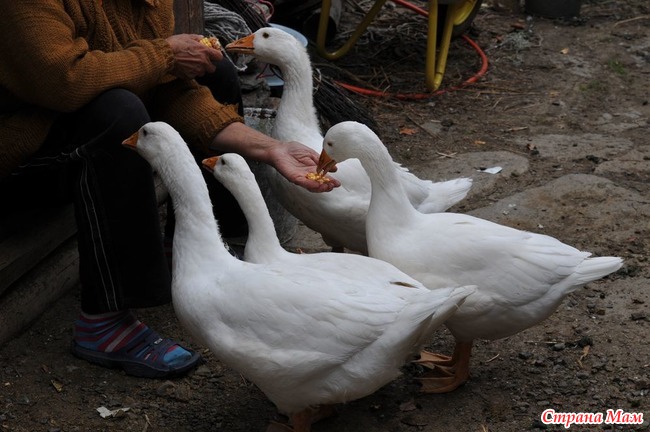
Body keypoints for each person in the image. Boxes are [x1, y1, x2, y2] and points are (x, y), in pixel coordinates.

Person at [0, 0, 339, 378]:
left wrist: (270, 149)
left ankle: (193, 249)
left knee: (214, 73)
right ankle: (104, 322)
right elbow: (63, 81)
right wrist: (163, 56)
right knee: (118, 113)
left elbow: (171, 91)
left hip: (71, 116)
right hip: (18, 151)